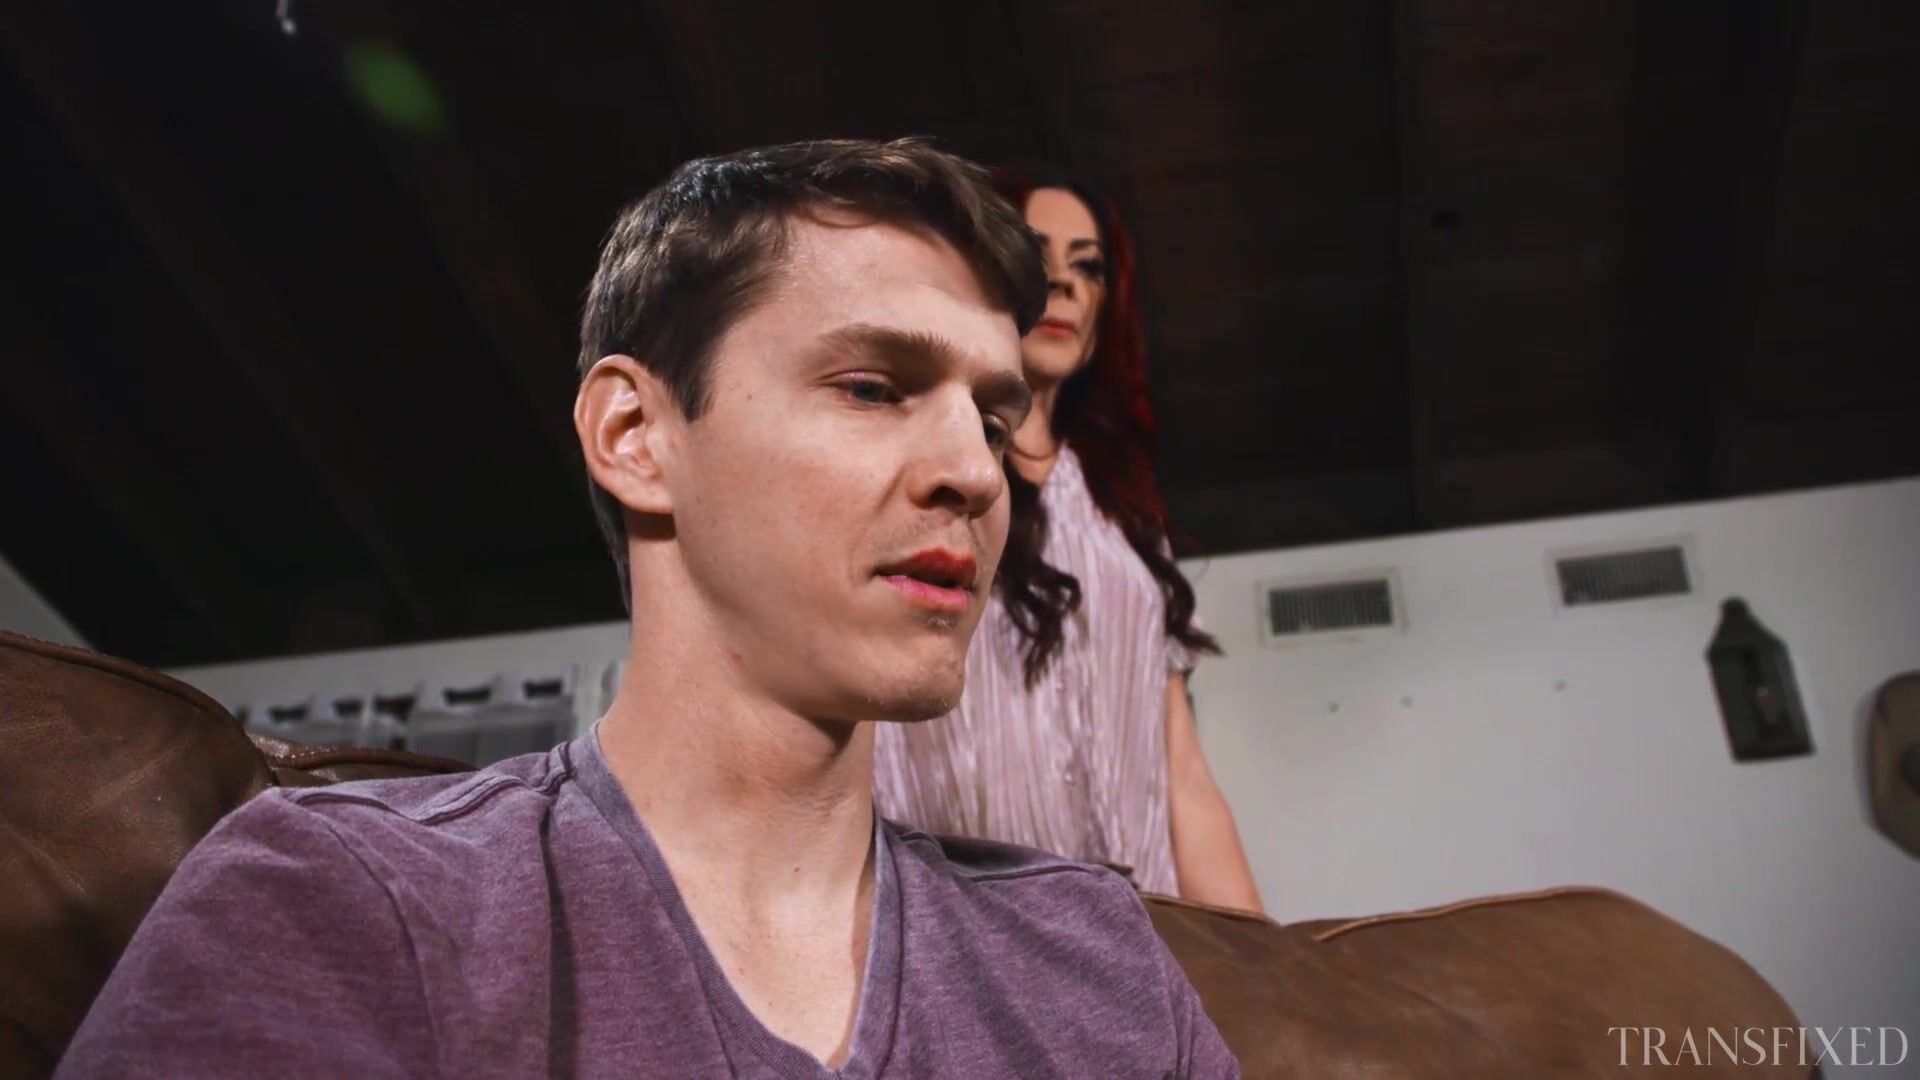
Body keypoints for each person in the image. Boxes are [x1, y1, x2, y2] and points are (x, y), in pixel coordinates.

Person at [58, 139, 1237, 1078]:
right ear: (634, 436)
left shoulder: (1103, 961)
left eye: (990, 418)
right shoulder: (343, 901)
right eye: (874, 386)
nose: (978, 475)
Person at [874, 165, 1264, 912]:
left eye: (1089, 268)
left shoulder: (1125, 511)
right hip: (964, 928)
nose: (1065, 284)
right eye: (1037, 254)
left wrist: (1259, 958)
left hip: (1141, 934)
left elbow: (1180, 769)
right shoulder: (916, 470)